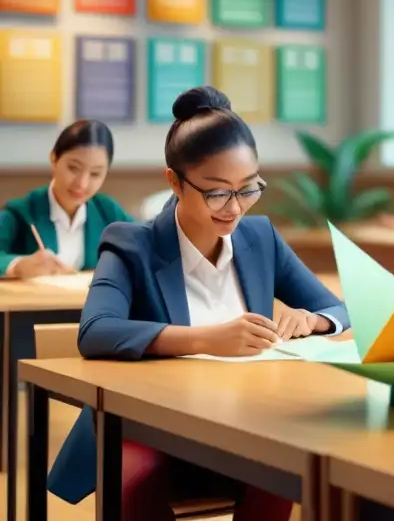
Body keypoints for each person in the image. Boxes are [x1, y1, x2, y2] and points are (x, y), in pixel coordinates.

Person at [47, 86, 350, 519]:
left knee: (291, 464)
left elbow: (339, 309)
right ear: (174, 181)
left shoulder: (260, 238)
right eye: (217, 192)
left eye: (248, 189)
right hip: (155, 432)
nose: (235, 208)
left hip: (247, 426)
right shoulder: (132, 244)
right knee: (136, 479)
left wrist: (312, 321)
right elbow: (96, 331)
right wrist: (209, 338)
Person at [0, 119, 131, 278]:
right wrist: (18, 265)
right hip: (38, 302)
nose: (82, 183)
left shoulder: (108, 212)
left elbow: (147, 246)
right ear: (54, 159)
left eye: (95, 174)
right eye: (73, 168)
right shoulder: (22, 212)